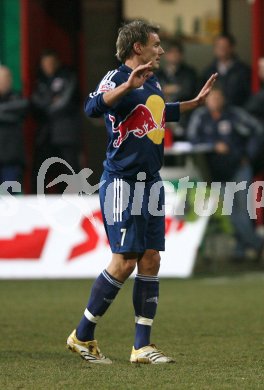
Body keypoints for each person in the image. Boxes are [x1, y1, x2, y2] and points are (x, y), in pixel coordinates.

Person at [66, 20, 217, 364]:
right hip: (122, 181)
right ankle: (82, 335)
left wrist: (193, 103)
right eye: (156, 44)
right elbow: (92, 107)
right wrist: (127, 86)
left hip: (151, 182)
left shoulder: (153, 80)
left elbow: (159, 114)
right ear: (138, 48)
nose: (161, 50)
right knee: (124, 261)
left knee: (151, 258)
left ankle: (141, 346)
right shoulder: (116, 77)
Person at [187, 87, 264, 262]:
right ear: (206, 100)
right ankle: (256, 244)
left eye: (217, 97)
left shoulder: (235, 114)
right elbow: (191, 138)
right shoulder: (200, 117)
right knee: (230, 213)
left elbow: (257, 130)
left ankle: (241, 251)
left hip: (238, 168)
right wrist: (214, 145)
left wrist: (248, 155)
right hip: (216, 172)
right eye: (211, 97)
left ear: (223, 98)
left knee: (243, 211)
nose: (214, 100)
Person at [31, 50, 81, 193]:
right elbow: (35, 102)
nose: (48, 67)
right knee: (40, 177)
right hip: (45, 137)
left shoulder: (68, 77)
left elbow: (65, 101)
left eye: (51, 63)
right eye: (45, 64)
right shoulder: (40, 81)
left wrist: (46, 104)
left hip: (65, 136)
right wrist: (50, 101)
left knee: (70, 175)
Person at [0, 66, 28, 193]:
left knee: (10, 200)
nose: (4, 82)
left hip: (11, 159)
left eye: (6, 78)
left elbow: (22, 110)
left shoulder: (18, 98)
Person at [202, 34, 251, 107]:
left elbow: (249, 94)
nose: (222, 49)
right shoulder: (208, 71)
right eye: (219, 46)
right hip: (212, 113)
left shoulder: (243, 70)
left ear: (232, 48)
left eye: (225, 46)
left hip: (237, 111)